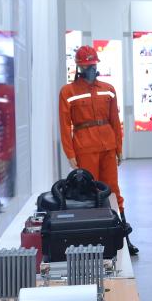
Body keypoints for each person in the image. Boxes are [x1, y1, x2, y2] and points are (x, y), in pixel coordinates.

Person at [58, 45, 138, 255]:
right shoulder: (68, 92)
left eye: (93, 64)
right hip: (85, 148)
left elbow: (114, 121)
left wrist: (119, 148)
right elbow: (65, 125)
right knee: (88, 192)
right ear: (78, 66)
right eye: (87, 65)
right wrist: (70, 154)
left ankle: (123, 237)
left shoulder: (108, 89)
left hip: (108, 146)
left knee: (113, 190)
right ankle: (92, 238)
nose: (91, 69)